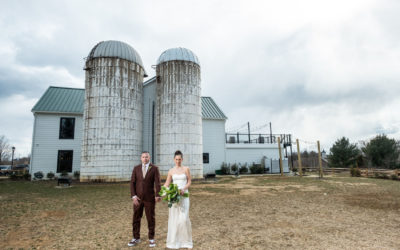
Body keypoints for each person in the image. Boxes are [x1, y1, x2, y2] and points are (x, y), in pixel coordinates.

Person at [128, 151, 161, 248]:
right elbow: (132, 183)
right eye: (143, 157)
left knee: (150, 218)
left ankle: (151, 238)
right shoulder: (136, 168)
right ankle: (136, 237)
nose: (145, 158)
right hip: (137, 198)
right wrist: (133, 196)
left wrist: (158, 195)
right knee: (136, 218)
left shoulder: (154, 168)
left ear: (149, 158)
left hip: (149, 198)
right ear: (140, 158)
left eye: (146, 157)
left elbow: (157, 183)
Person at [163, 150, 193, 249]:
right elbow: (167, 184)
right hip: (174, 197)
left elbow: (189, 182)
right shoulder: (171, 171)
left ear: (182, 159)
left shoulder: (186, 169)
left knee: (184, 219)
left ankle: (186, 241)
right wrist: (162, 193)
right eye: (176, 159)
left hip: (184, 196)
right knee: (174, 219)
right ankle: (175, 241)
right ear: (174, 159)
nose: (178, 161)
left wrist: (184, 188)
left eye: (179, 159)